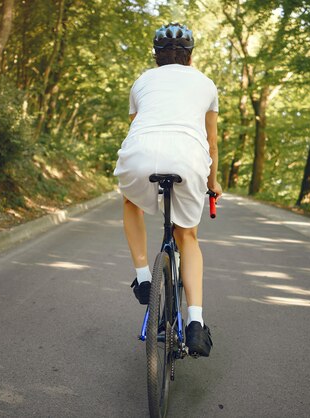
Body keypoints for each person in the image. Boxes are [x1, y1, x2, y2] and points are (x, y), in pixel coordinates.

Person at [114, 23, 222, 357]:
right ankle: (195, 323)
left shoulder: (142, 81)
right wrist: (212, 182)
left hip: (139, 156)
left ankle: (144, 276)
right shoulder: (206, 84)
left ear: (156, 56)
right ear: (190, 55)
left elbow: (140, 127)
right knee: (187, 237)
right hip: (189, 157)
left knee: (131, 201)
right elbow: (212, 142)